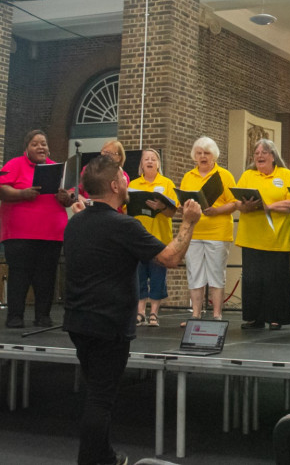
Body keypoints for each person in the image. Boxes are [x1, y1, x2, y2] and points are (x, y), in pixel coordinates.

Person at [64, 154, 201, 465]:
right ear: (114, 185)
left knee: (97, 392)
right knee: (101, 398)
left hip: (78, 321)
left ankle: (103, 456)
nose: (128, 182)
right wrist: (189, 222)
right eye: (124, 179)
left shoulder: (75, 223)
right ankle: (95, 461)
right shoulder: (122, 225)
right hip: (108, 323)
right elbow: (170, 258)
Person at [0, 130, 73, 328]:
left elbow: (71, 195)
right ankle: (15, 316)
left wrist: (66, 197)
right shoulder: (15, 164)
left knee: (46, 276)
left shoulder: (57, 169)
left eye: (44, 144)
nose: (41, 147)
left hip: (51, 234)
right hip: (20, 233)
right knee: (20, 275)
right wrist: (22, 193)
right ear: (26, 148)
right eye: (35, 144)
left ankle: (43, 316)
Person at [234, 139, 290, 330]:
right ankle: (255, 318)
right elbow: (236, 202)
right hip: (251, 237)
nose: (260, 156)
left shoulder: (285, 174)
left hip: (277, 238)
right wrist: (245, 206)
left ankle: (276, 318)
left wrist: (268, 207)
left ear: (273, 156)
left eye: (264, 152)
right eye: (256, 153)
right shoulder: (247, 175)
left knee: (275, 280)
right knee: (253, 279)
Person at [179, 137, 237, 322]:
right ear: (194, 156)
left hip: (217, 231)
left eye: (207, 153)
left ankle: (217, 314)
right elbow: (182, 201)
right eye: (199, 153)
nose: (203, 156)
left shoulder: (224, 175)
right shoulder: (188, 176)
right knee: (194, 272)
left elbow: (235, 202)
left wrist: (217, 210)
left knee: (216, 273)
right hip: (193, 232)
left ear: (214, 155)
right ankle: (196, 314)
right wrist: (183, 207)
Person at [128, 149, 177, 327]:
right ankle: (140, 311)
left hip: (159, 238)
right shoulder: (132, 184)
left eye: (153, 159)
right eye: (146, 159)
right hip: (137, 237)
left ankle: (154, 313)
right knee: (139, 275)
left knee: (157, 275)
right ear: (141, 164)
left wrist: (161, 206)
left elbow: (173, 212)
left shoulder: (166, 184)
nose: (149, 161)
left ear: (158, 163)